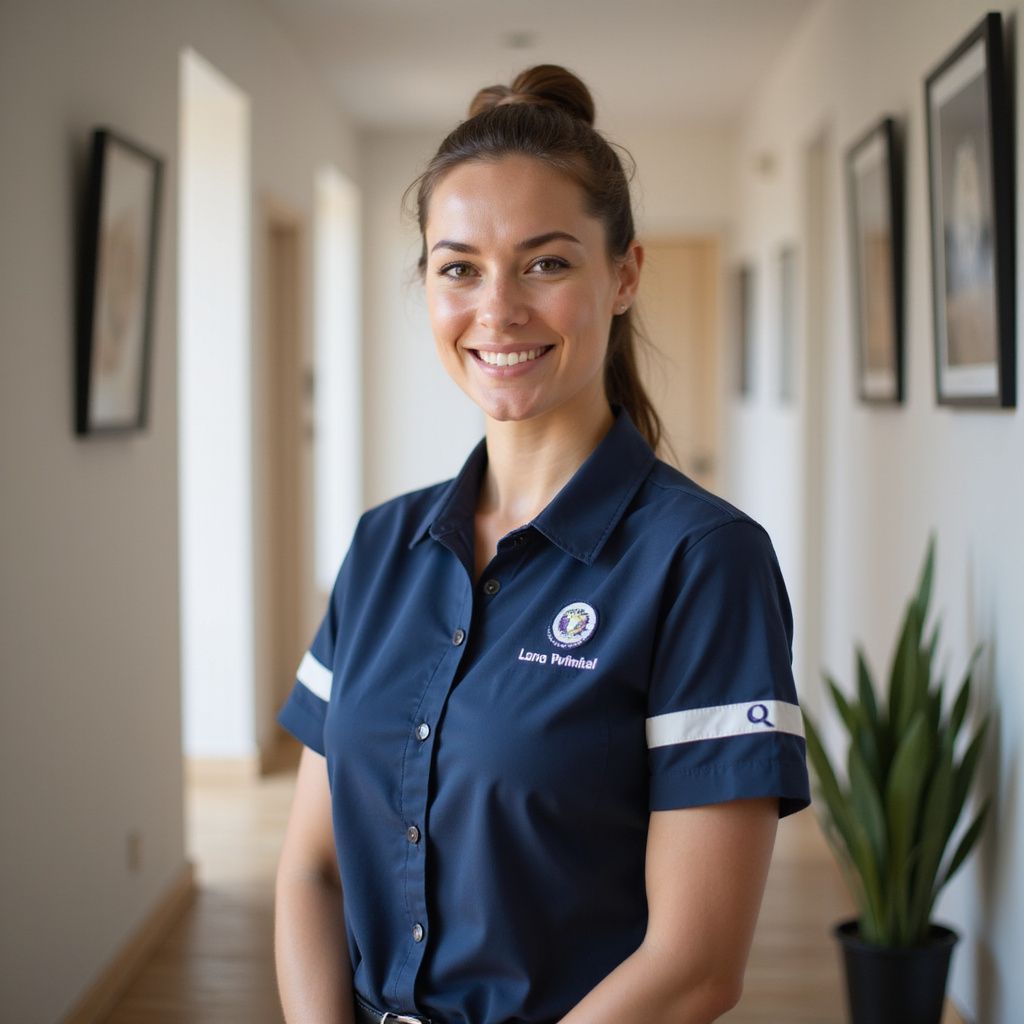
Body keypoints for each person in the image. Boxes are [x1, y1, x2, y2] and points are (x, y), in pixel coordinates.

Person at [274, 64, 811, 1024]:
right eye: (459, 267)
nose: (498, 309)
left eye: (547, 262)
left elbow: (695, 967)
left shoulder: (703, 563)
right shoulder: (381, 546)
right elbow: (312, 871)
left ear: (624, 275)